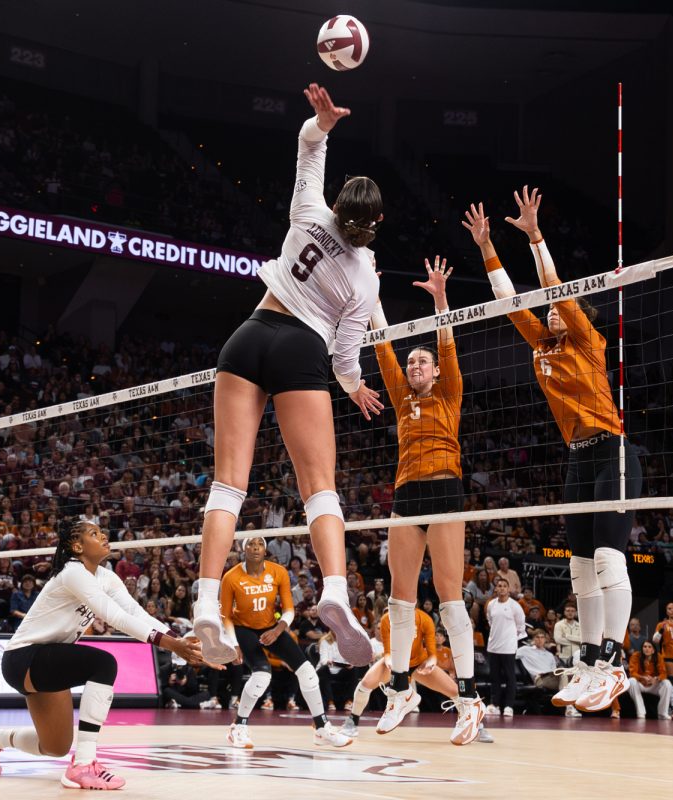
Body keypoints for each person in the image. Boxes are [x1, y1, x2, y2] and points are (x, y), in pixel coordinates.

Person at [192, 82, 383, 668]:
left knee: (228, 484)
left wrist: (323, 122)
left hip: (249, 334)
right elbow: (346, 357)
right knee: (318, 487)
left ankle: (203, 600)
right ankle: (334, 593)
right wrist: (354, 389)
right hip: (302, 351)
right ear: (372, 226)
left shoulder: (307, 214)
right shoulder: (364, 278)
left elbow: (307, 151)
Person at [464, 189, 642, 713]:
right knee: (579, 567)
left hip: (613, 451)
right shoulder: (541, 345)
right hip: (577, 457)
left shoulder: (587, 339)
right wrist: (488, 247)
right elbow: (508, 301)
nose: (550, 311)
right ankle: (589, 660)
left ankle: (613, 657)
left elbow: (552, 287)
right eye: (549, 311)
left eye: (559, 308)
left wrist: (535, 236)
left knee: (610, 558)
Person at [0, 520, 208, 790]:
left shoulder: (106, 577)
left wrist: (178, 640)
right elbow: (113, 616)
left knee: (55, 746)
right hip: (23, 657)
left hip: (50, 659)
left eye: (102, 531)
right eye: (94, 534)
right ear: (77, 546)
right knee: (103, 663)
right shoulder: (72, 572)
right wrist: (169, 644)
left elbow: (134, 612)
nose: (104, 535)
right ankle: (83, 764)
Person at [368, 255, 484, 744]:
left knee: (450, 597)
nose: (414, 366)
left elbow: (447, 342)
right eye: (412, 362)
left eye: (422, 362)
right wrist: (371, 294)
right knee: (400, 597)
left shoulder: (449, 392)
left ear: (435, 372)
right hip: (405, 493)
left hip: (445, 489)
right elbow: (382, 347)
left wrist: (440, 298)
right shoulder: (400, 395)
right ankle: (399, 690)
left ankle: (471, 699)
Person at [221, 536, 351, 749]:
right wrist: (234, 644)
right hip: (243, 628)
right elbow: (225, 616)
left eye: (260, 544)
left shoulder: (278, 572)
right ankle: (238, 726)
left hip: (272, 627)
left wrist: (278, 629)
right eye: (251, 545)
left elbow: (289, 609)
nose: (256, 548)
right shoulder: (231, 577)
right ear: (244, 550)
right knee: (262, 674)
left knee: (308, 671)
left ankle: (321, 728)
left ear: (265, 550)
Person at [342, 607, 476, 744]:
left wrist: (431, 660)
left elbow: (431, 650)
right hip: (396, 662)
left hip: (418, 662)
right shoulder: (385, 620)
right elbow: (388, 650)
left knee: (455, 692)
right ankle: (352, 720)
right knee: (365, 684)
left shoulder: (425, 619)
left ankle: (475, 723)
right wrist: (388, 659)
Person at [484, 576, 526, 718]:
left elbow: (521, 626)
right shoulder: (491, 605)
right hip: (493, 647)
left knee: (510, 677)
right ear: (496, 588)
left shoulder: (515, 606)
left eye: (504, 586)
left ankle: (509, 706)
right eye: (499, 585)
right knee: (494, 677)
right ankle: (494, 705)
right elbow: (490, 620)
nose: (501, 588)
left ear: (508, 589)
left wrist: (510, 638)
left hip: (508, 647)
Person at [626, 639, 670, 720]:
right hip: (640, 684)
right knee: (631, 681)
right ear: (642, 648)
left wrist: (656, 679)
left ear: (653, 650)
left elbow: (663, 673)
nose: (646, 649)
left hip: (653, 685)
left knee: (667, 683)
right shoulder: (636, 655)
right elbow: (632, 673)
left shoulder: (658, 657)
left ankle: (663, 713)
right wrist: (642, 677)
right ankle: (641, 713)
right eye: (645, 646)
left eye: (649, 647)